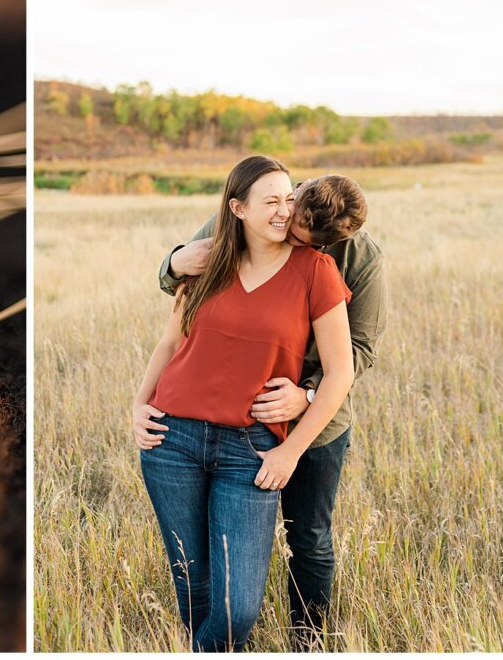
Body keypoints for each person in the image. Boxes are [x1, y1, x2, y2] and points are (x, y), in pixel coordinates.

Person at [154, 171, 387, 650]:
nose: (287, 233)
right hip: (237, 419)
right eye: (290, 220)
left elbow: (357, 350)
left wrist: (305, 394)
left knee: (309, 538)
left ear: (333, 240)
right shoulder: (267, 201)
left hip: (316, 425)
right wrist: (175, 261)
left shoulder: (356, 258)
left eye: (303, 239)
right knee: (207, 558)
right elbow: (187, 279)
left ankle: (307, 641)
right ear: (299, 193)